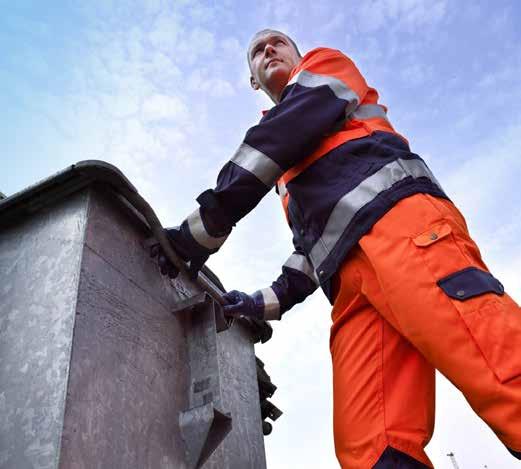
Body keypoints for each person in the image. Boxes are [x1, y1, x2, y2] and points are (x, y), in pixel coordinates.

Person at [154, 29, 521, 468]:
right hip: (351, 288)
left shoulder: (324, 70)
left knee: (499, 366)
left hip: (402, 228)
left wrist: (203, 228)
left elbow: (280, 134)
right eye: (257, 51)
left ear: (298, 54)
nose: (269, 49)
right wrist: (259, 303)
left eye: (278, 43)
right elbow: (312, 248)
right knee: (374, 446)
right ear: (253, 80)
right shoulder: (291, 175)